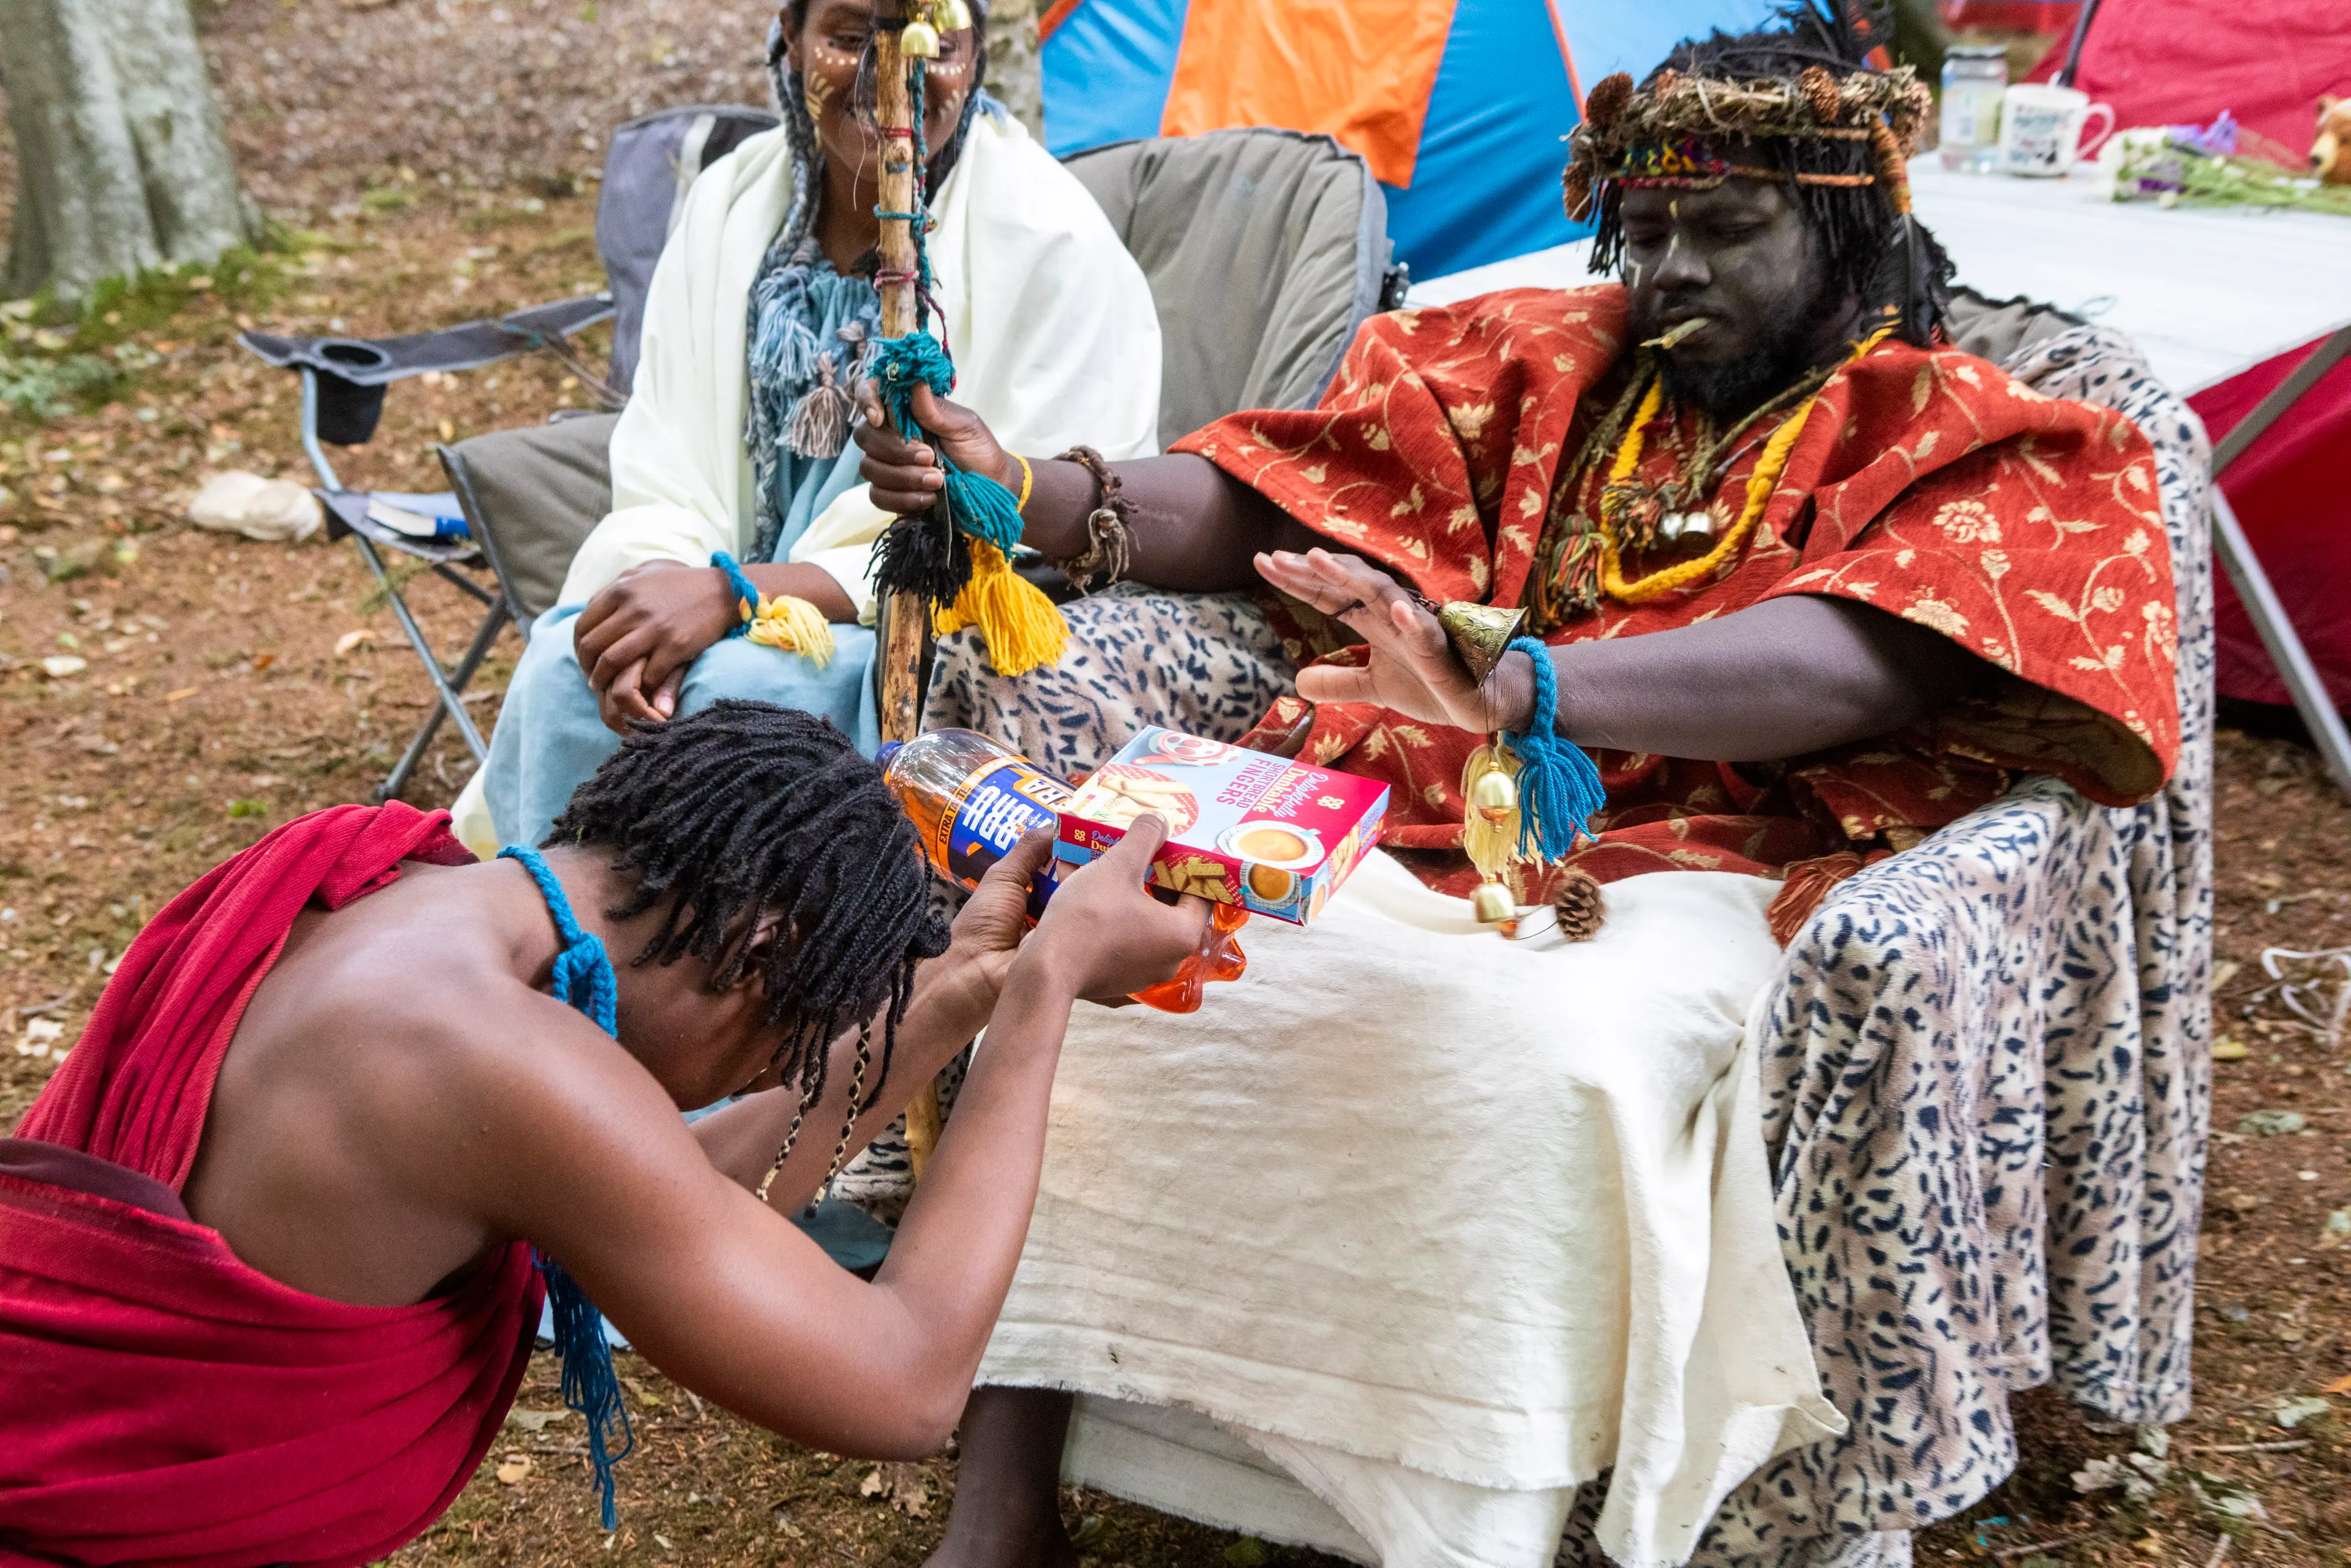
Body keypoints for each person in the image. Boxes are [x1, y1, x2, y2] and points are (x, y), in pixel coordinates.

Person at [853, 5, 2191, 1565]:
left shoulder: (1962, 425)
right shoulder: (1551, 364)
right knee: (1114, 976)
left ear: (1848, 225)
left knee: (1528, 1048)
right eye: (1647, 230)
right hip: (1395, 813)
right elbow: (1283, 488)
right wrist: (1032, 487)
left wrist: (1524, 684)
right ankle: (1009, 1485)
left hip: (1716, 858)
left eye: (1725, 228)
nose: (1672, 269)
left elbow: (1865, 663)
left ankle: (1462, 1505)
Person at [0, 702, 1208, 1567]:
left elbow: (680, 1192)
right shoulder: (501, 1061)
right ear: (759, 952)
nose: (775, 1070)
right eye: (782, 1044)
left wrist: (957, 999)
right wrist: (1051, 990)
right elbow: (902, 1384)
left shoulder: (381, 883)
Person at [448, 0, 1160, 857]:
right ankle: (556, 953)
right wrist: (673, 589)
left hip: (916, 626)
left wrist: (740, 596)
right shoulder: (728, 203)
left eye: (931, 45)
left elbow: (1026, 534)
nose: (888, 78)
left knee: (747, 690)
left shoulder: (1053, 241)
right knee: (570, 664)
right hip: (716, 577)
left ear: (973, 57)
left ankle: (740, 979)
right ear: (790, 40)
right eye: (851, 39)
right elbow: (666, 453)